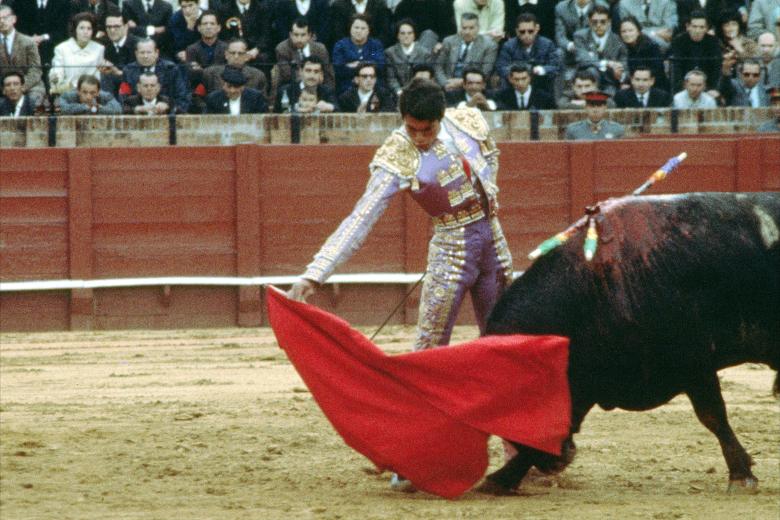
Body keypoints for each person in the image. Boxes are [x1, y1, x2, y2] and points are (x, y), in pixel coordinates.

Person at [287, 77, 513, 383]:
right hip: (451, 252)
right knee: (429, 349)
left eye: (427, 130)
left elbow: (491, 157)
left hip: (494, 242)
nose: (419, 138)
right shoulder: (397, 153)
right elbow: (361, 217)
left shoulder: (468, 121)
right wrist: (315, 273)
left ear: (441, 117)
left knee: (506, 340)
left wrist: (488, 200)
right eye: (411, 129)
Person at [121, 37, 190, 113]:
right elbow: (123, 98)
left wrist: (168, 107)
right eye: (142, 52)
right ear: (136, 54)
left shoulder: (171, 69)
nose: (145, 56)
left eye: (149, 52)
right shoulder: (128, 70)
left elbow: (182, 97)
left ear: (156, 53)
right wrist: (135, 109)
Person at [495, 13, 560, 92]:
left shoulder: (547, 44)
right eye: (522, 32)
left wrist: (541, 69)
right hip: (515, 85)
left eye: (530, 31)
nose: (526, 35)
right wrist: (517, 73)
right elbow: (502, 67)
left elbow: (555, 66)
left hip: (540, 85)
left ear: (537, 29)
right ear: (516, 31)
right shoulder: (508, 46)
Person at [435, 12, 498, 92]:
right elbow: (438, 66)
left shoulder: (489, 45)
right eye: (464, 28)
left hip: (472, 88)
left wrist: (461, 82)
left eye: (471, 28)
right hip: (448, 85)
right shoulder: (448, 41)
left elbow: (485, 72)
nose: (467, 32)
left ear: (478, 28)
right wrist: (445, 83)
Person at [573, 5, 627, 95]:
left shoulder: (618, 39)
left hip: (611, 81)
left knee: (611, 96)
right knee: (591, 70)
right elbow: (582, 59)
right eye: (594, 22)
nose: (598, 25)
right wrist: (607, 63)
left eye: (603, 22)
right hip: (586, 81)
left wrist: (621, 74)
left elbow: (624, 63)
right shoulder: (580, 36)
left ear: (609, 22)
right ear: (589, 22)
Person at [0, 5, 45, 108]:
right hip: (3, 88)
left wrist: (21, 87)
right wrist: (6, 88)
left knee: (33, 100)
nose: (1, 21)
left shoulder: (28, 42)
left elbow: (36, 70)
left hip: (29, 86)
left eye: (5, 18)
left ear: (14, 19)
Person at [49, 13, 106, 94]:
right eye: (81, 28)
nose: (85, 32)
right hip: (67, 92)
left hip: (90, 93)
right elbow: (57, 75)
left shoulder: (99, 48)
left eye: (89, 28)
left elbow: (98, 77)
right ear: (75, 29)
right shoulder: (61, 48)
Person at [668, 10, 722, 94]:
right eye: (694, 26)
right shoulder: (679, 41)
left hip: (707, 87)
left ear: (706, 28)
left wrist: (711, 89)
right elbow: (676, 70)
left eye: (701, 27)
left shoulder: (713, 42)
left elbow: (716, 69)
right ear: (688, 26)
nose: (697, 31)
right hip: (683, 87)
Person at [274, 17, 333, 91]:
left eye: (303, 35)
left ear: (309, 35)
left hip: (319, 89)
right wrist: (313, 78)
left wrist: (328, 93)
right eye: (296, 35)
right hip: (293, 89)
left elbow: (328, 75)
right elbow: (288, 75)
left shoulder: (320, 49)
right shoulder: (282, 49)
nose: (299, 39)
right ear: (290, 35)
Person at [332, 14, 385, 94]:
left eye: (363, 28)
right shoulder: (340, 45)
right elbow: (339, 69)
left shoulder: (376, 45)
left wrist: (355, 65)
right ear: (350, 28)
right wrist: (367, 64)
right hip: (348, 86)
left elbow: (380, 66)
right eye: (356, 27)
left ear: (368, 30)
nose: (359, 31)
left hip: (372, 85)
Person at [618, 15, 669, 92]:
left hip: (654, 87)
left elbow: (657, 73)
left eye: (630, 30)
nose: (627, 34)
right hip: (634, 84)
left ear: (638, 32)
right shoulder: (623, 48)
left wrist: (631, 85)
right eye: (624, 31)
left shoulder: (651, 47)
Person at [384, 19, 432, 96]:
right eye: (402, 33)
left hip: (419, 94)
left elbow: (427, 79)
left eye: (410, 33)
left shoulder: (424, 53)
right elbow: (391, 78)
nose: (406, 36)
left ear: (414, 35)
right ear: (397, 35)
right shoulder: (390, 53)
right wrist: (399, 92)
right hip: (397, 94)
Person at [56, 73, 122, 113]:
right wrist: (86, 107)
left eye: (92, 93)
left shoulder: (106, 96)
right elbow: (62, 108)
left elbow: (118, 109)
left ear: (98, 92)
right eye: (84, 92)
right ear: (78, 90)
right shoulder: (68, 96)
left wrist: (99, 107)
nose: (88, 97)